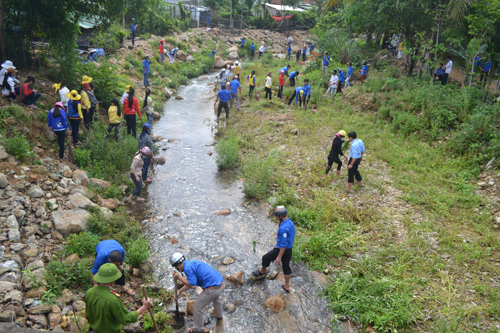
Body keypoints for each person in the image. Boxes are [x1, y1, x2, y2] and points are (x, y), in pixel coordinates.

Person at [85, 263, 152, 333]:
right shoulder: (113, 299)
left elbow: (88, 315)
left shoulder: (89, 292)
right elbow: (126, 319)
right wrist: (144, 307)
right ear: (112, 280)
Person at [171, 253, 225, 332]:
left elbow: (192, 285)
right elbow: (191, 282)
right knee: (216, 298)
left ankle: (198, 329)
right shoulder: (190, 263)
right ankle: (219, 316)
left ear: (177, 266)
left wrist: (179, 277)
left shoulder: (187, 268)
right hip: (221, 284)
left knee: (197, 307)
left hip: (212, 289)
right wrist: (179, 291)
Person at [252, 206, 295, 293]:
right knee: (286, 267)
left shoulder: (283, 228)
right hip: (289, 249)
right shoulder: (290, 222)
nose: (275, 217)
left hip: (281, 250)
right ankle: (287, 286)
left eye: (276, 216)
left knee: (265, 258)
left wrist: (279, 257)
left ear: (280, 216)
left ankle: (263, 270)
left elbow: (283, 244)